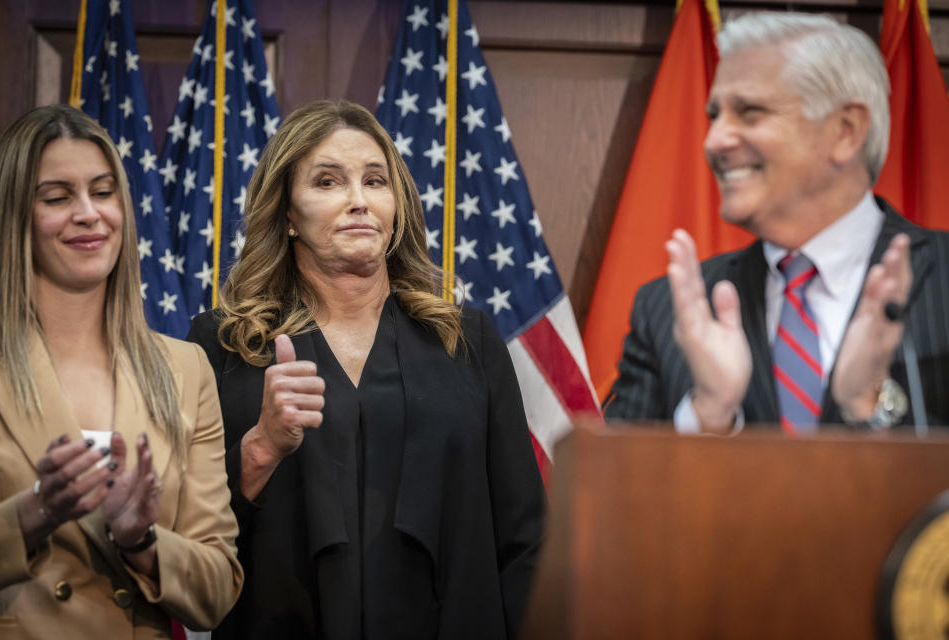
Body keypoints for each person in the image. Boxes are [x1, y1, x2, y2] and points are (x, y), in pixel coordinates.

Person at [186, 100, 544, 639]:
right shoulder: (225, 347)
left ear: (396, 205)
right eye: (328, 182)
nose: (358, 201)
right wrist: (258, 449)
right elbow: (188, 538)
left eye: (375, 181)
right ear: (287, 214)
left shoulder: (467, 343)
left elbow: (524, 541)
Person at [605, 12, 949, 433]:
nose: (713, 140)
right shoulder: (664, 312)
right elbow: (613, 491)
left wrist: (870, 404)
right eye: (715, 115)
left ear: (845, 131)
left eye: (749, 113)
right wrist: (709, 416)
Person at [0, 105, 243, 637]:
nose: (88, 214)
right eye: (57, 198)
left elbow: (218, 586)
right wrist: (33, 512)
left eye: (103, 192)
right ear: (15, 216)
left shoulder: (185, 368)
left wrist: (142, 542)